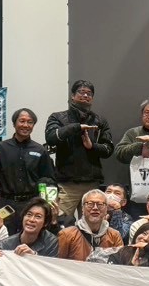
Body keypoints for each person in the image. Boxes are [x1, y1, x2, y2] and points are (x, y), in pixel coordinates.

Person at [45, 80, 114, 218]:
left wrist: (92, 146)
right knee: (58, 220)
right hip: (66, 184)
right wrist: (76, 127)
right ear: (72, 95)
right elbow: (51, 138)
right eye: (81, 92)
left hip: (92, 184)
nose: (85, 96)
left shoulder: (100, 120)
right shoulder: (57, 117)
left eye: (89, 93)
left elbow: (108, 149)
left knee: (93, 222)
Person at [0, 108, 58, 203]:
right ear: (14, 124)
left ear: (33, 125)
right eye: (22, 121)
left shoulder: (40, 150)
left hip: (32, 203)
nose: (26, 125)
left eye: (30, 122)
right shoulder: (0, 147)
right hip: (6, 202)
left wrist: (47, 203)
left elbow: (49, 180)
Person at [58, 188, 125, 261]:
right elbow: (57, 264)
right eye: (90, 204)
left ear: (106, 209)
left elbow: (120, 264)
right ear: (82, 209)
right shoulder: (67, 235)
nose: (95, 208)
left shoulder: (114, 236)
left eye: (100, 204)